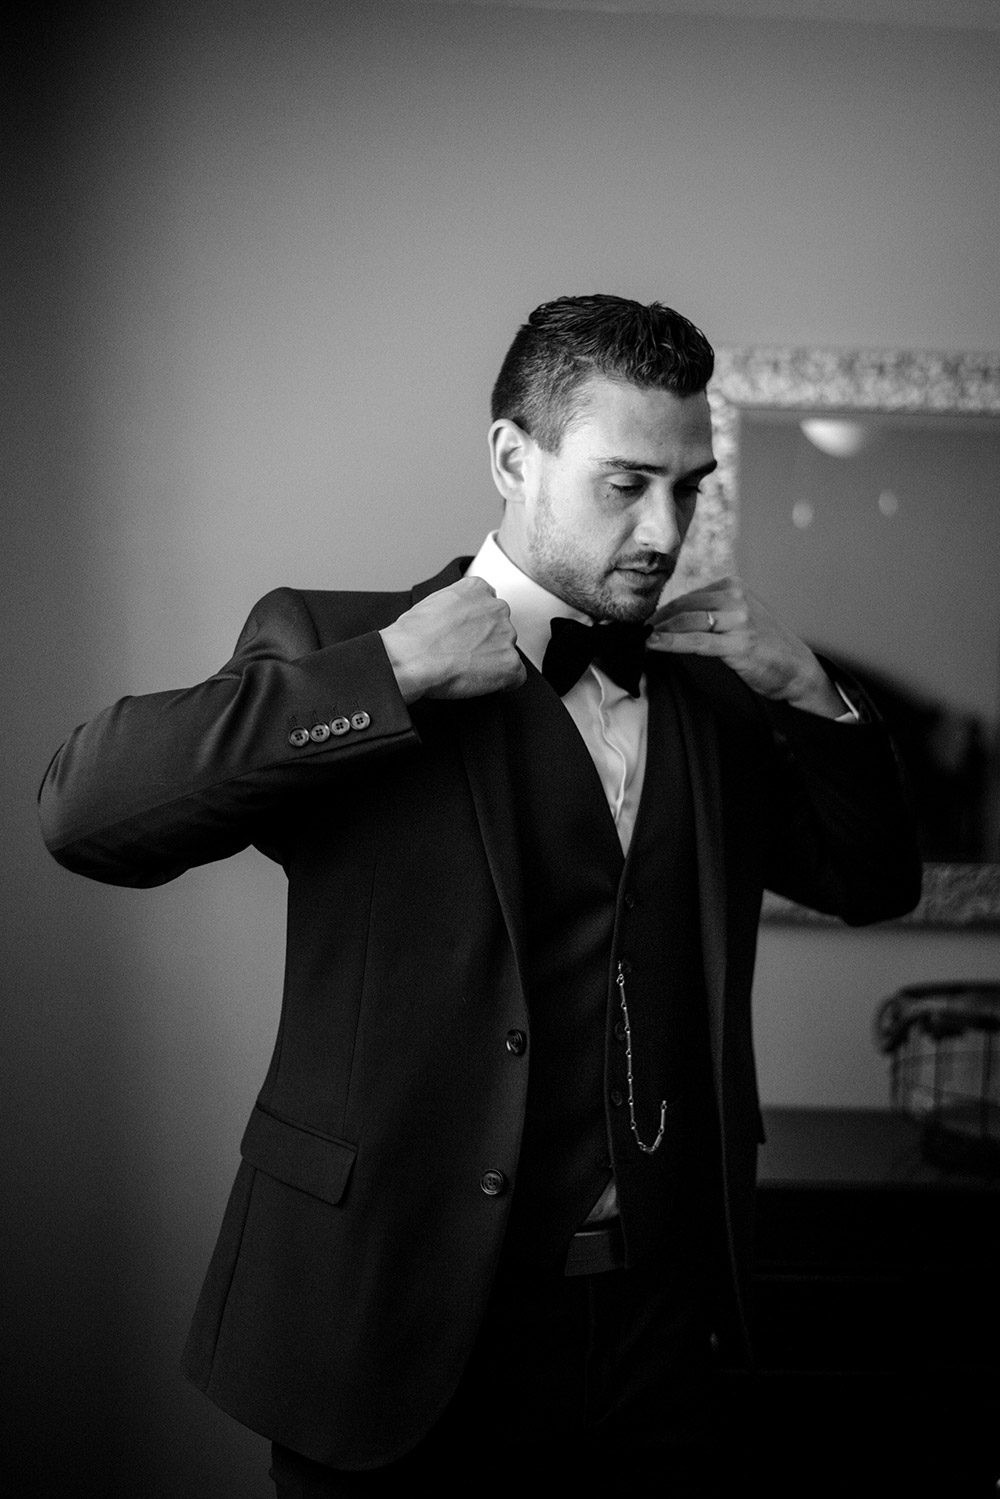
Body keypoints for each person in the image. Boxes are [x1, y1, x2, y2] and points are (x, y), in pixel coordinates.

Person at [39, 295, 921, 1496]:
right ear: (514, 458)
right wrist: (390, 672)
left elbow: (874, 880)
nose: (666, 529)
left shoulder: (714, 693)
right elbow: (85, 815)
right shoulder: (340, 645)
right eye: (625, 484)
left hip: (658, 1333)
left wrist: (811, 690)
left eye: (689, 485)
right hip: (393, 1325)